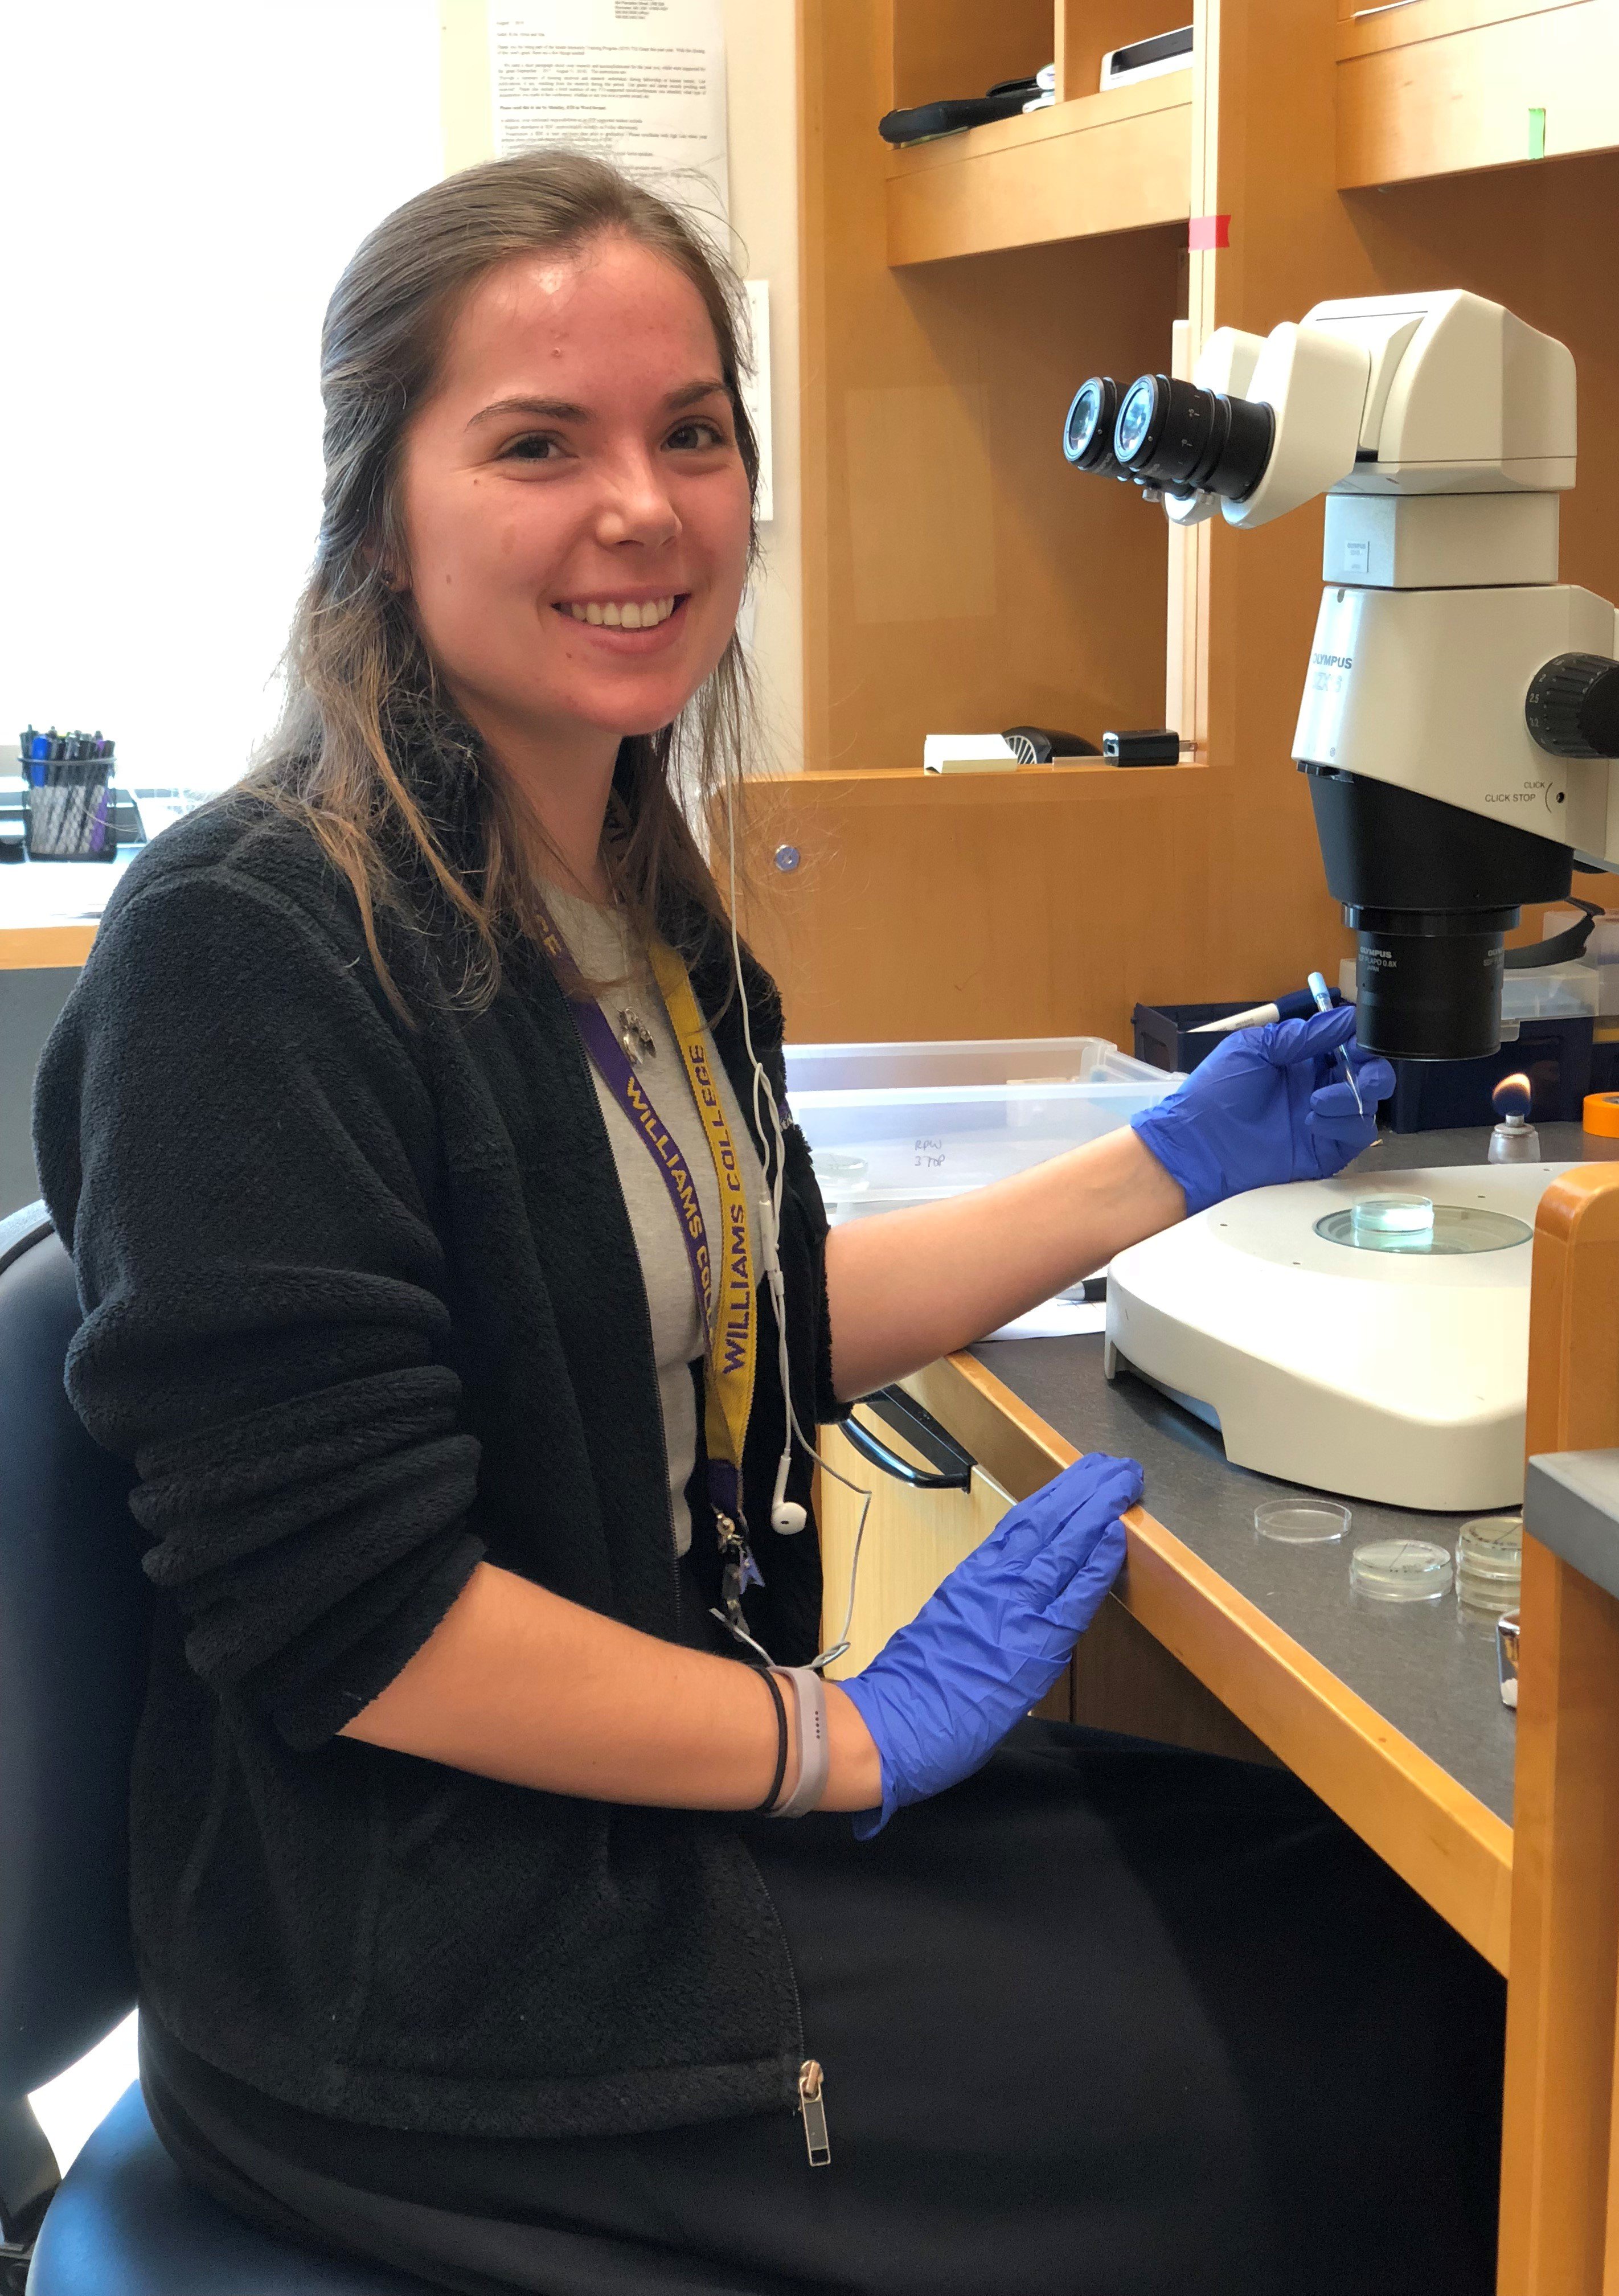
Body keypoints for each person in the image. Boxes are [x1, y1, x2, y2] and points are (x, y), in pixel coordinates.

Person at [33, 153, 1502, 2296]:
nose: (644, 509)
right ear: (378, 507)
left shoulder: (644, 902)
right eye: (539, 444)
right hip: (435, 1972)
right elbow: (355, 1621)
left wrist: (1171, 1164)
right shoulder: (250, 946)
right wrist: (843, 1736)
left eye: (694, 433)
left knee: (1386, 1910)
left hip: (662, 1817)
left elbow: (740, 1316)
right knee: (1409, 2087)